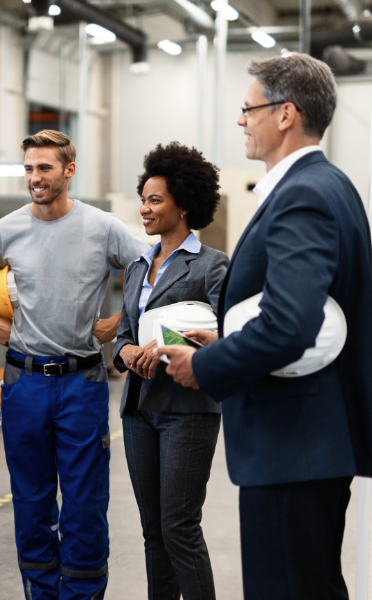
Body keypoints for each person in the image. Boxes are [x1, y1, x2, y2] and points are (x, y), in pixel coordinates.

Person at [158, 53, 372, 599]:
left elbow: (290, 324)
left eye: (249, 108)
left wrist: (208, 365)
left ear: (285, 113)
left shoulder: (303, 195)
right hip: (306, 441)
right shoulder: (326, 183)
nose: (242, 119)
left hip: (293, 442)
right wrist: (233, 340)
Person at [0, 130, 148, 600]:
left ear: (68, 170)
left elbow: (149, 270)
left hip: (81, 382)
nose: (35, 178)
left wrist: (118, 323)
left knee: (85, 506)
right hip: (23, 382)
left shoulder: (102, 227)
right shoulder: (5, 230)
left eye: (44, 168)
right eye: (28, 168)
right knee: (31, 503)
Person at [114, 142, 227, 600]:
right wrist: (129, 354)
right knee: (152, 530)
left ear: (183, 204)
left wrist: (159, 349)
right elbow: (122, 335)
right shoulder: (138, 266)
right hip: (139, 409)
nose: (144, 208)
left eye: (154, 200)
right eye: (142, 199)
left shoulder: (213, 266)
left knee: (179, 527)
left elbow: (225, 337)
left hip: (188, 409)